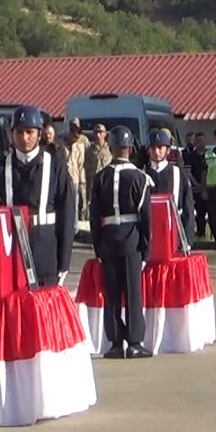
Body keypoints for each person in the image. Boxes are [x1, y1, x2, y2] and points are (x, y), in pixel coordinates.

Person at [0, 106, 75, 287]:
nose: (24, 138)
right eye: (19, 132)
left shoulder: (56, 167)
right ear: (11, 134)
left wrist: (64, 262)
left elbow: (67, 214)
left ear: (39, 134)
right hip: (11, 253)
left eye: (29, 132)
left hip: (45, 254)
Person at [88, 126, 153, 360]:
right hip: (131, 240)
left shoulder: (100, 178)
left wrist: (98, 247)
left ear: (111, 147)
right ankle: (134, 342)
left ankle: (115, 342)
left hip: (108, 239)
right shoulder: (140, 178)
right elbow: (146, 217)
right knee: (133, 294)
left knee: (112, 295)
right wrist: (146, 248)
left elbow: (94, 217)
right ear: (131, 149)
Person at [144, 129, 196, 245]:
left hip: (173, 234)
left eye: (160, 148)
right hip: (149, 236)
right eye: (153, 148)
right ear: (148, 151)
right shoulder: (141, 175)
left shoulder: (178, 174)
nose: (156, 152)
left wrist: (187, 240)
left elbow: (188, 208)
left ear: (167, 150)